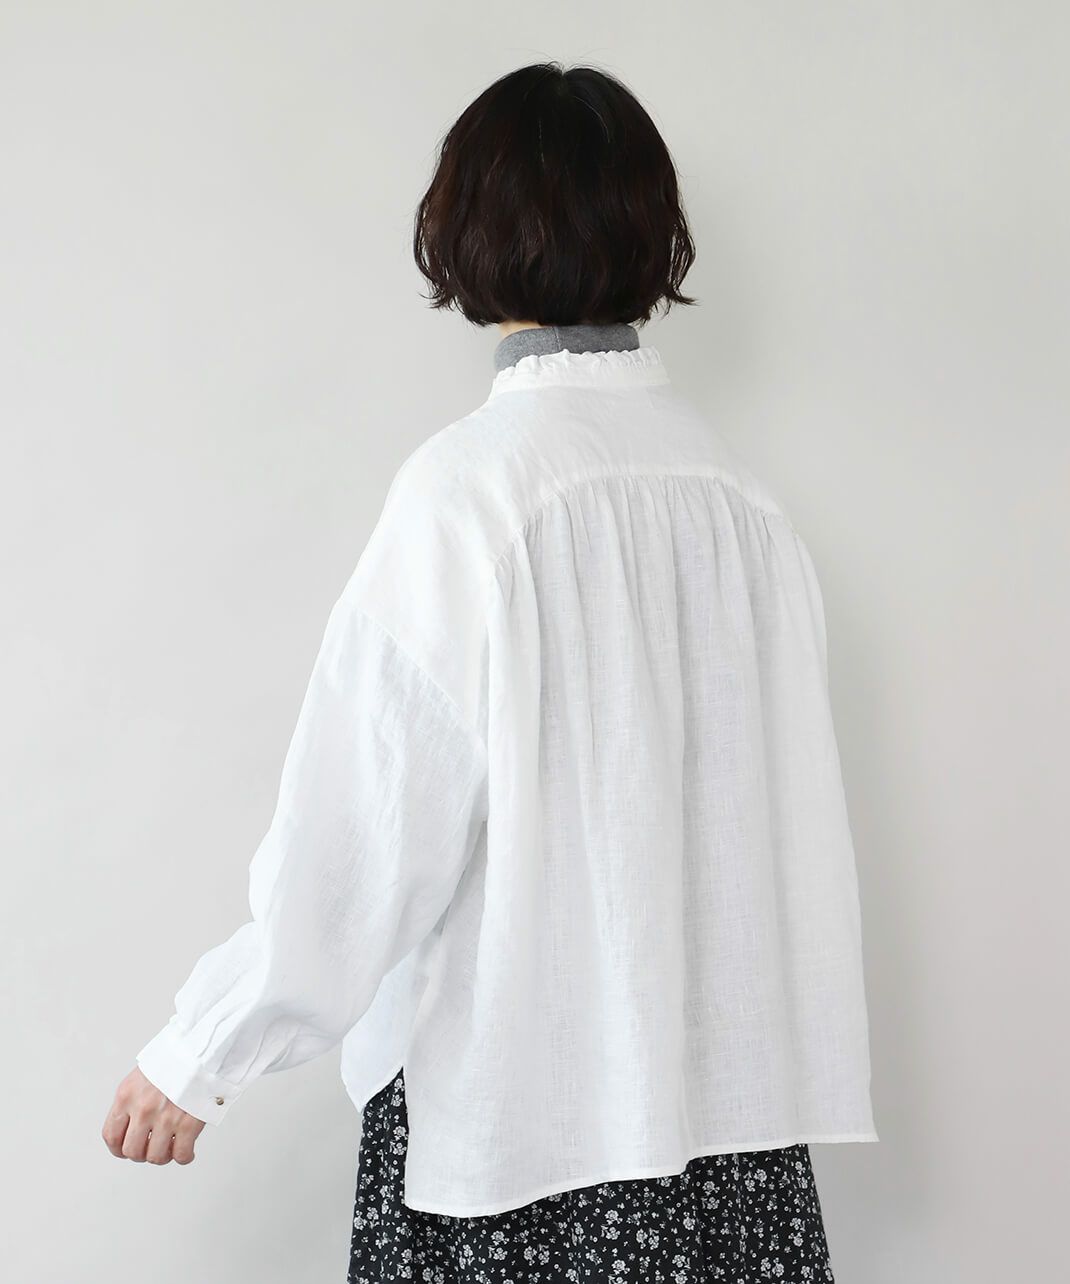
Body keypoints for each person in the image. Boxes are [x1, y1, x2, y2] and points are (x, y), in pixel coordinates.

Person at [102, 61, 877, 1283]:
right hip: (730, 1145)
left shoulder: (469, 496)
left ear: (466, 232)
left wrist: (202, 1051)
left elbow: (365, 826)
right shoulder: (740, 506)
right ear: (649, 231)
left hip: (523, 1144)